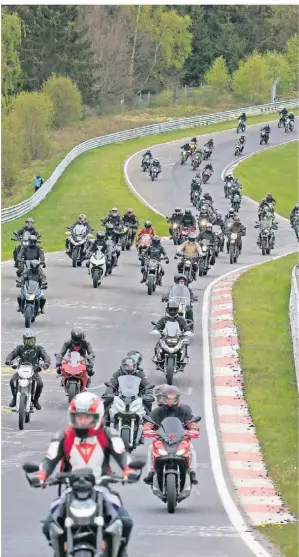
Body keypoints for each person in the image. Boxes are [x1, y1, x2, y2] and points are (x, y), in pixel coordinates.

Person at [29, 392, 140, 557]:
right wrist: (41, 474)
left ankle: (119, 552)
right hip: (70, 490)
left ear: (98, 416)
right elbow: (49, 459)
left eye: (87, 417)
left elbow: (122, 455)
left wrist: (129, 469)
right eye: (78, 416)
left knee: (125, 521)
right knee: (48, 524)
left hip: (102, 489)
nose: (82, 421)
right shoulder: (63, 436)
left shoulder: (109, 435)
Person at [143, 385, 200, 485]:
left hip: (180, 438)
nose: (170, 401)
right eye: (167, 398)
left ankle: (192, 472)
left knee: (191, 448)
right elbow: (149, 423)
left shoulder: (184, 410)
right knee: (151, 448)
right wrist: (147, 429)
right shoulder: (158, 411)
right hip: (162, 439)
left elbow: (192, 422)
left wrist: (193, 429)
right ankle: (151, 472)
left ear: (177, 398)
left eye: (172, 398)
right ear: (163, 398)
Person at [5, 330, 50, 410]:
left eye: (32, 340)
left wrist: (45, 364)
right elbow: (12, 354)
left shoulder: (39, 348)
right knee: (12, 381)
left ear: (35, 340)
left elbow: (46, 356)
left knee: (40, 384)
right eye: (28, 340)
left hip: (34, 371)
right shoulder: (20, 348)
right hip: (21, 370)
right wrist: (9, 360)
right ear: (24, 340)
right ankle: (15, 398)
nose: (30, 342)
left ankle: (36, 400)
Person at [152, 300, 191, 365]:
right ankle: (157, 357)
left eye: (174, 309)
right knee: (158, 343)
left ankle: (184, 357)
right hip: (165, 337)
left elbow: (186, 326)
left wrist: (188, 331)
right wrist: (155, 329)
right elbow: (158, 325)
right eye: (171, 309)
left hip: (178, 338)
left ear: (177, 310)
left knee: (185, 343)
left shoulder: (181, 319)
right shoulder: (164, 319)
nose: (172, 311)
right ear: (167, 309)